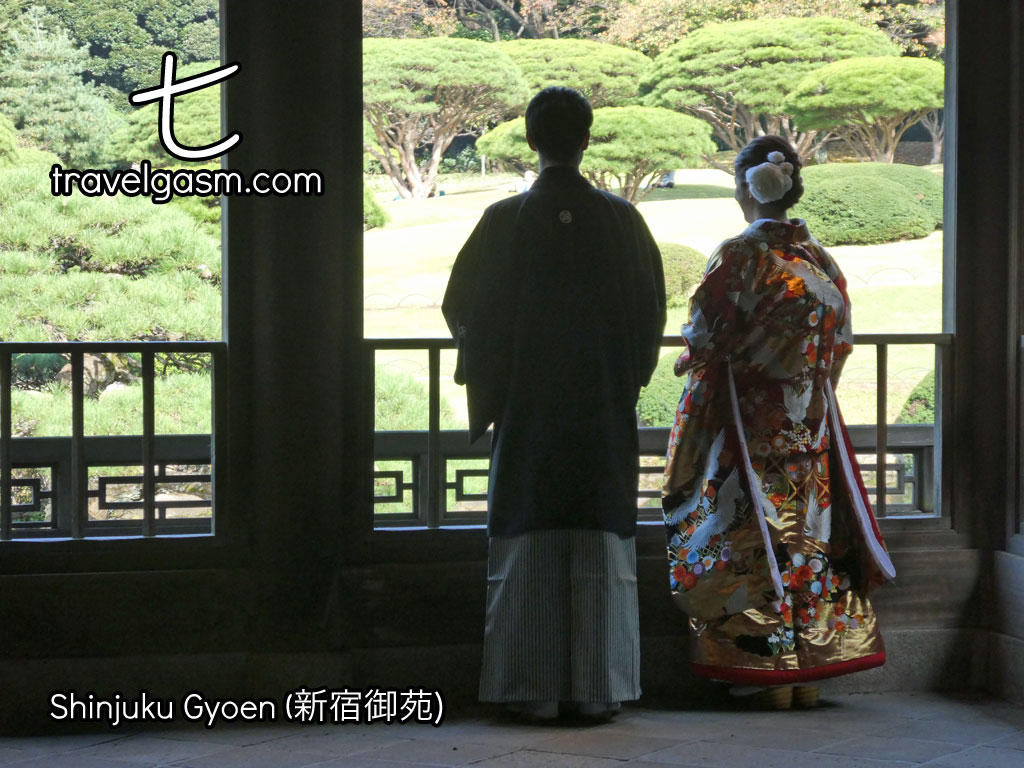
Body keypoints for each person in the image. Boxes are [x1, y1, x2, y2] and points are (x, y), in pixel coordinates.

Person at [442, 86, 666, 721]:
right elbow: (650, 309)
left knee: (528, 532)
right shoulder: (623, 218)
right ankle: (599, 688)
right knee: (602, 537)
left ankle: (530, 690)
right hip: (600, 407)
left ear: (532, 140)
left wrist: (492, 380)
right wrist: (622, 373)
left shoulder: (502, 219)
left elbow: (464, 308)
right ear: (587, 138)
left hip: (528, 410)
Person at [661, 135, 895, 709]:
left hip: (746, 420)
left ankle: (760, 667)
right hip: (809, 421)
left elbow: (706, 334)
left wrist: (691, 361)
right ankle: (808, 670)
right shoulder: (820, 259)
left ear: (745, 187)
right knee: (808, 534)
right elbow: (839, 342)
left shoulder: (739, 255)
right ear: (792, 187)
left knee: (743, 533)